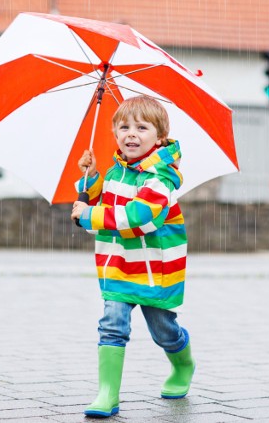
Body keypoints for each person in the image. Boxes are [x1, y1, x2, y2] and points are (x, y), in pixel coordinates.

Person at [71, 95, 195, 418]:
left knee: (163, 331)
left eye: (142, 127)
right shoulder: (116, 172)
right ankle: (107, 393)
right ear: (114, 133)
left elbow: (137, 217)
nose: (131, 134)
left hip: (155, 270)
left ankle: (183, 364)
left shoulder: (161, 179)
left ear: (160, 137)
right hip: (117, 267)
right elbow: (108, 202)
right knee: (112, 325)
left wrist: (90, 216)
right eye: (124, 127)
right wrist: (92, 180)